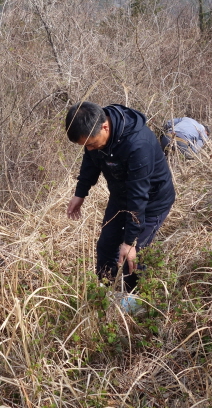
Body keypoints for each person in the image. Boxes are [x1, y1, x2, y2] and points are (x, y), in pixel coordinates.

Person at [64, 102, 176, 293]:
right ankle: (104, 295)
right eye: (85, 146)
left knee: (133, 257)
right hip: (120, 196)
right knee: (106, 247)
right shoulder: (93, 135)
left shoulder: (138, 144)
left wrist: (130, 242)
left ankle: (133, 303)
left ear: (105, 127)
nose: (89, 149)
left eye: (90, 144)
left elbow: (139, 195)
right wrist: (80, 193)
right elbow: (91, 161)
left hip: (151, 201)